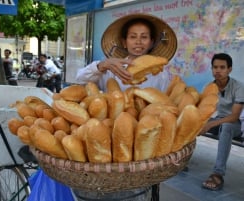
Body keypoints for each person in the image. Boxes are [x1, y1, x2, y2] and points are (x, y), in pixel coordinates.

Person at [75, 13, 177, 201]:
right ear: (124, 41)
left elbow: (167, 107)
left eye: (144, 37)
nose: (138, 42)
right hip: (108, 137)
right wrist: (102, 65)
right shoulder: (110, 68)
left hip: (143, 144)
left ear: (152, 41)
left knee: (138, 192)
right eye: (133, 36)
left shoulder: (161, 74)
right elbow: (79, 79)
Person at [200, 53, 244, 191]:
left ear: (229, 69)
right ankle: (181, 161)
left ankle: (218, 173)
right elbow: (203, 110)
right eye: (215, 67)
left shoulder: (239, 87)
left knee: (226, 126)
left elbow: (234, 116)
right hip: (219, 120)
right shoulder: (209, 87)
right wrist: (201, 123)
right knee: (194, 123)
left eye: (222, 67)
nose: (218, 71)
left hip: (236, 124)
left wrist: (210, 124)